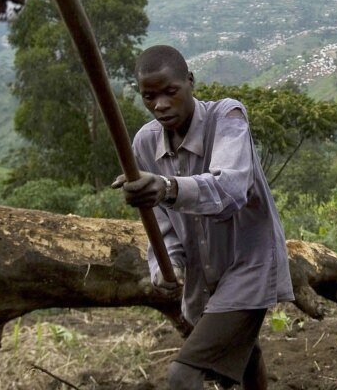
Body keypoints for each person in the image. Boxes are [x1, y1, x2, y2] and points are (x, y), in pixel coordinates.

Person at [113, 44, 294, 390]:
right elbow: (162, 224)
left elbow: (231, 190)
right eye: (149, 97)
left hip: (249, 265)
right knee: (246, 353)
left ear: (191, 82)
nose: (160, 105)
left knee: (183, 375)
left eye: (170, 92)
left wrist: (167, 187)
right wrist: (167, 264)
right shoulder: (144, 144)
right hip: (204, 275)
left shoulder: (227, 117)